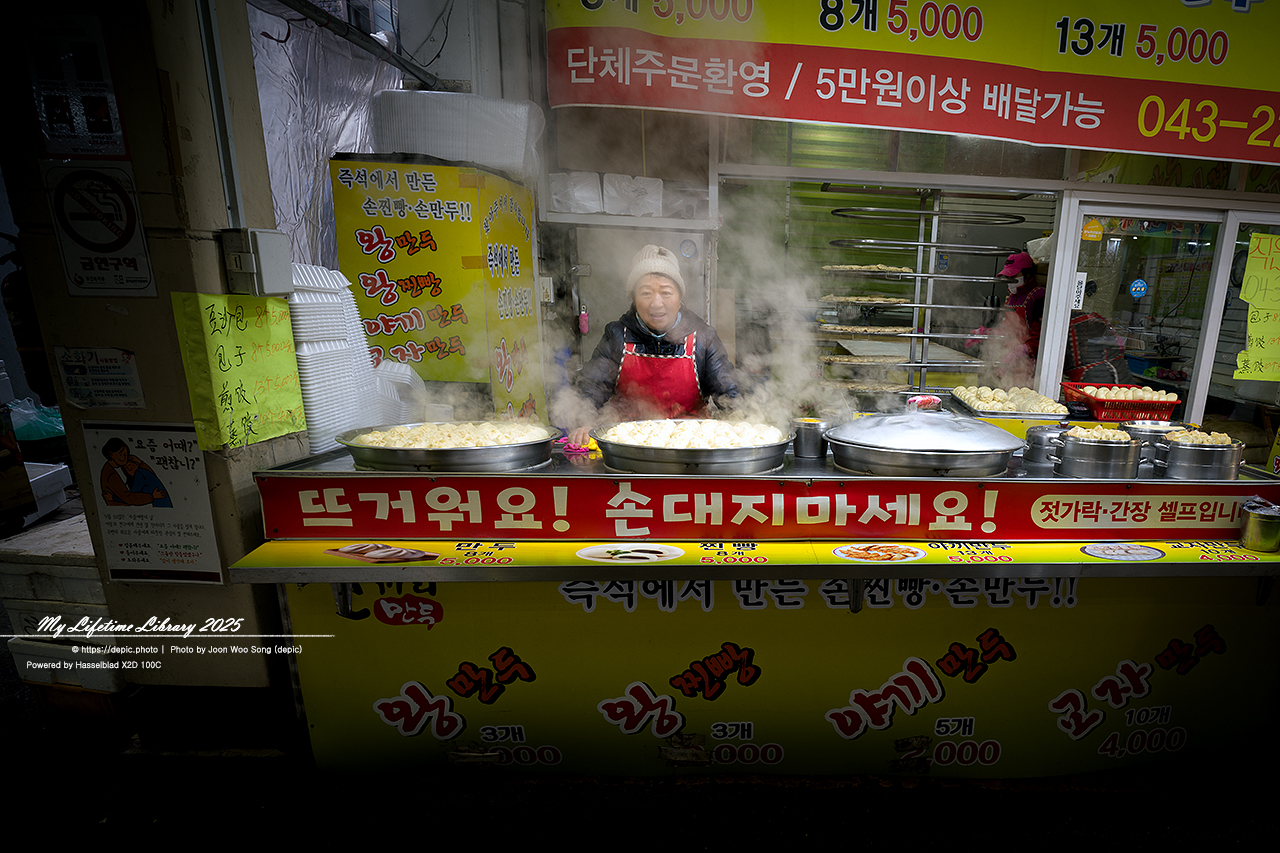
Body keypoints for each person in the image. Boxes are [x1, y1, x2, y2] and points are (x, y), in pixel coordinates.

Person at [567, 245, 739, 446]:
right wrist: (584, 424)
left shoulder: (703, 338)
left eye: (666, 292)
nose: (656, 303)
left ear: (679, 297)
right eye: (646, 293)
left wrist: (742, 424)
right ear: (633, 298)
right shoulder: (617, 336)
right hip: (628, 446)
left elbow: (730, 393)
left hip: (690, 448)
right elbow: (591, 387)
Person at [100, 437, 171, 507]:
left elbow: (150, 477)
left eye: (125, 454)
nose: (124, 458)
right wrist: (151, 497)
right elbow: (128, 497)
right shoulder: (111, 474)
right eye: (120, 455)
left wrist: (141, 463)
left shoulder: (133, 467)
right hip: (124, 509)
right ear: (111, 455)